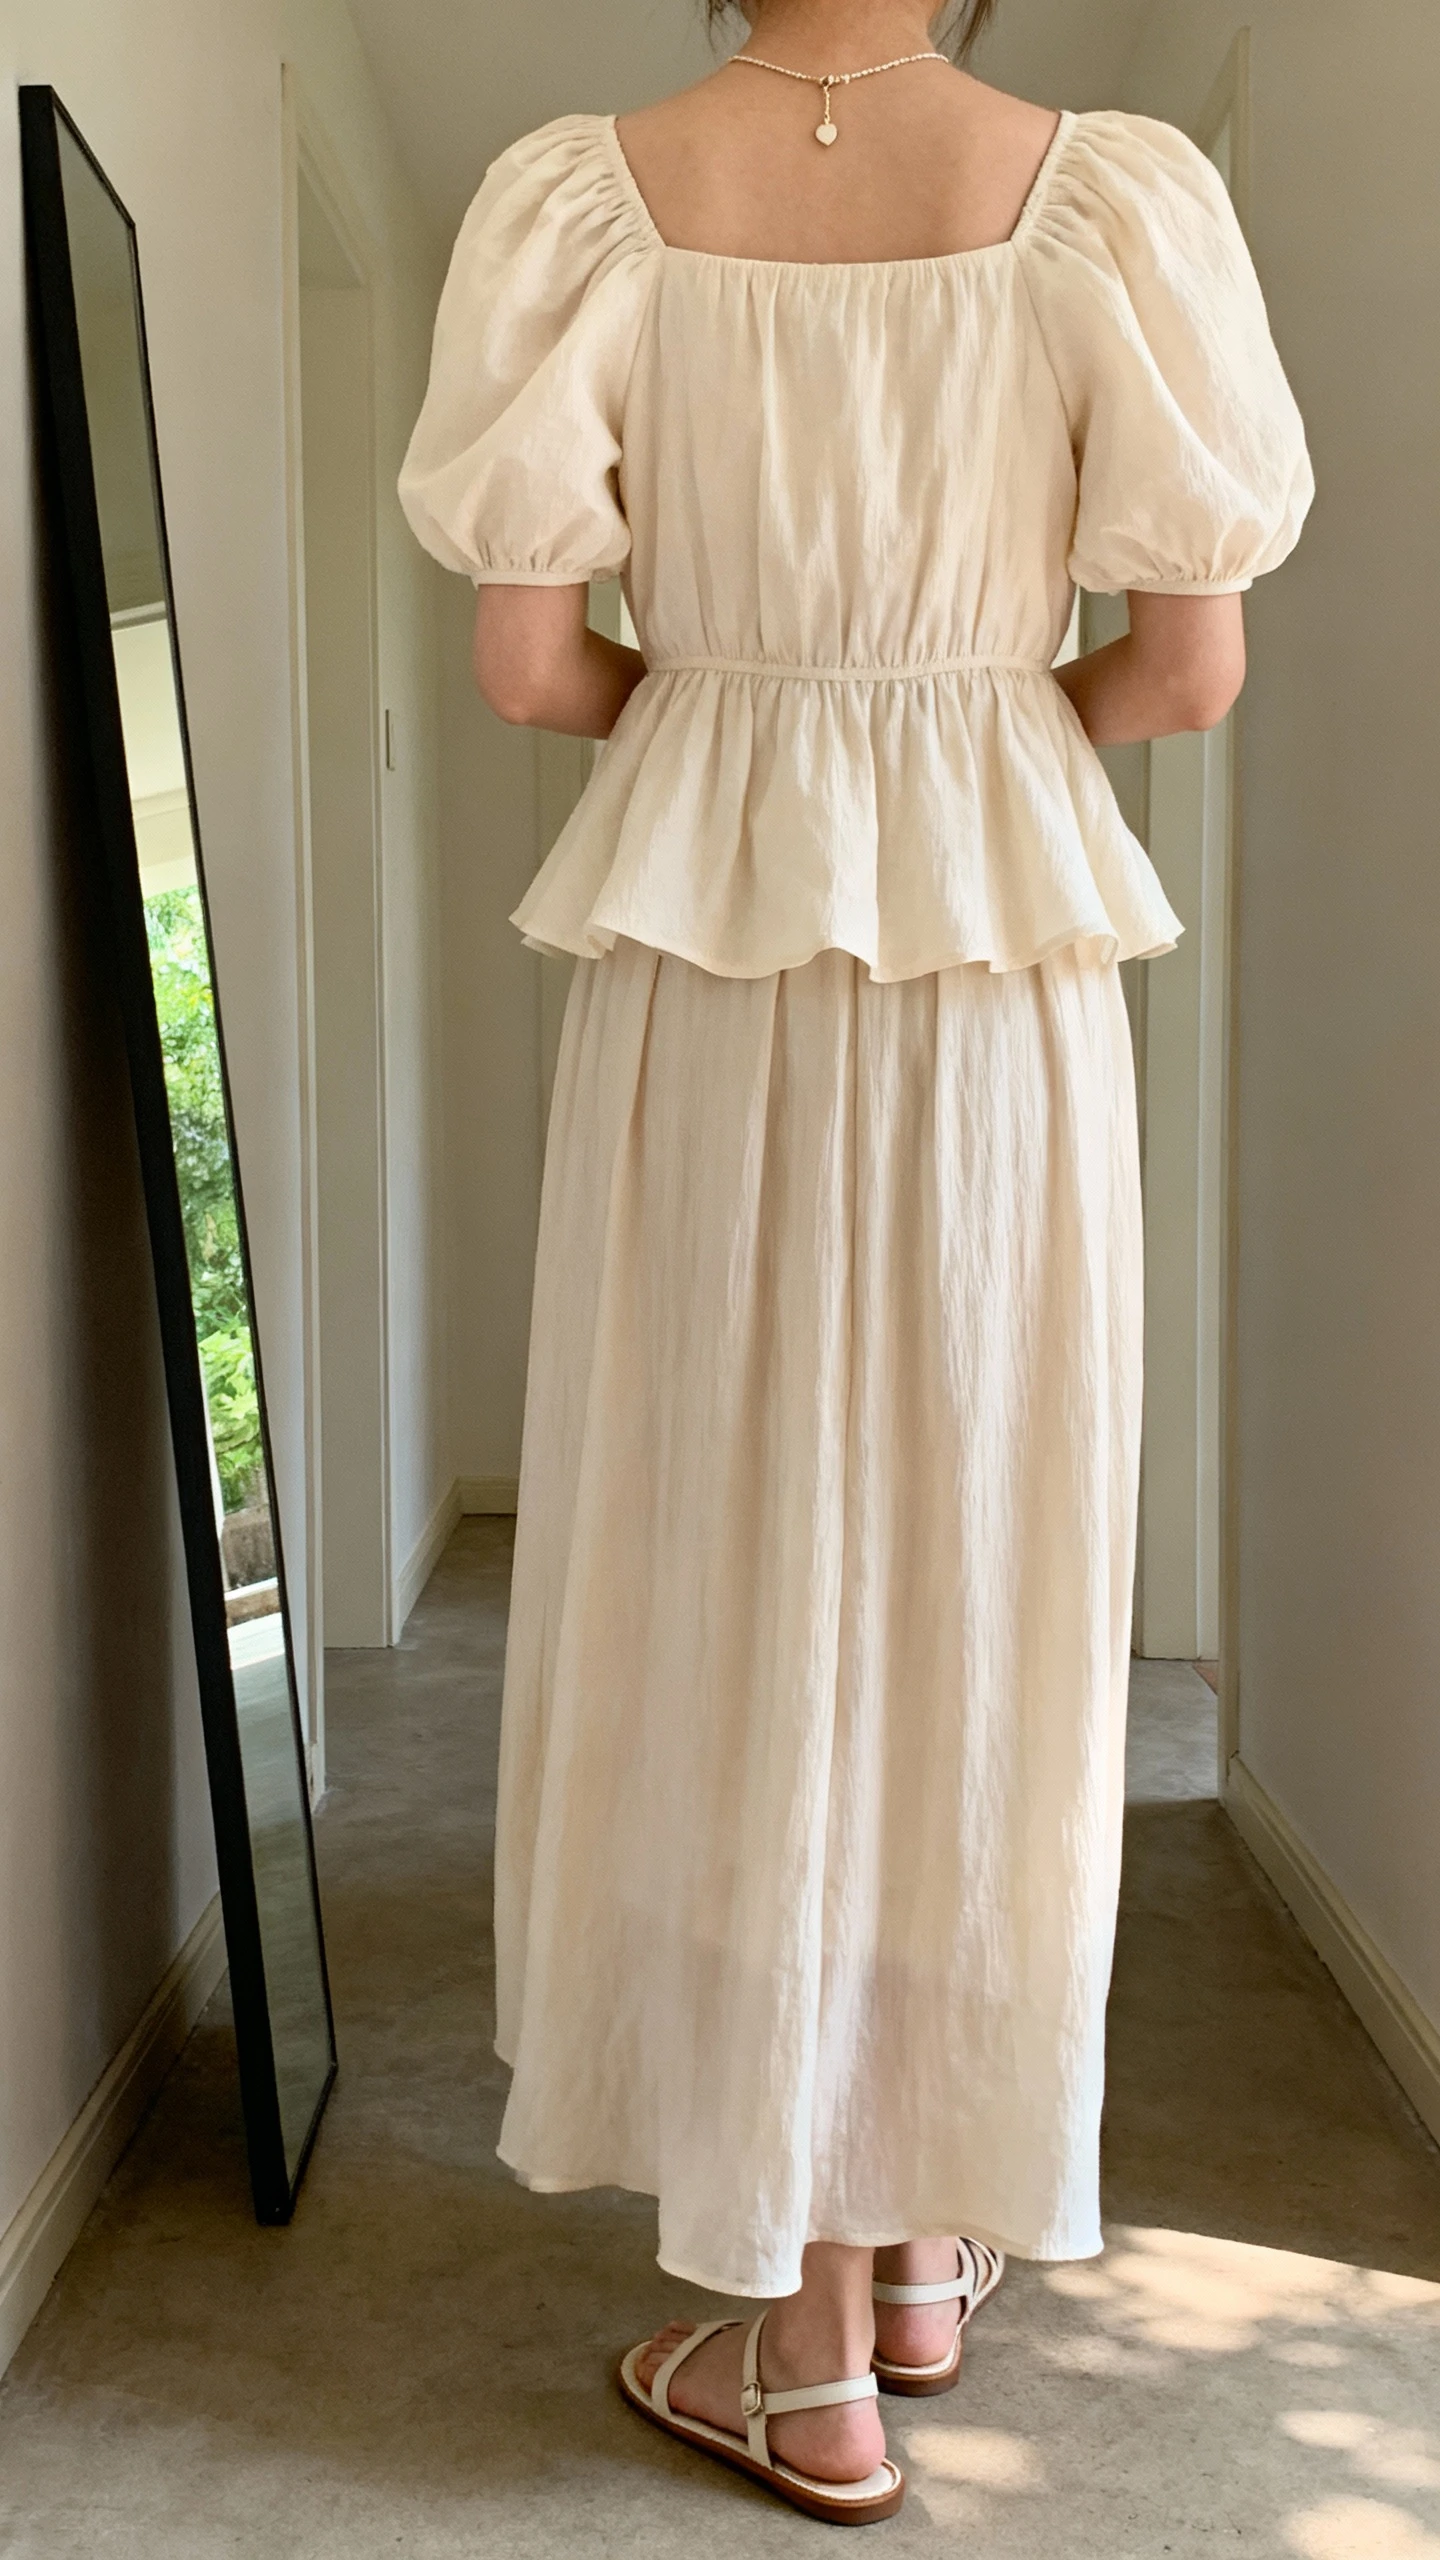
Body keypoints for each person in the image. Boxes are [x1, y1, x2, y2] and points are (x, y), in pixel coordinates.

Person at [399, 0, 1311, 2522]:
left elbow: (525, 659)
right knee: (968, 1575)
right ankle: (919, 2245)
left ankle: (803, 2337)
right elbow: (1192, 663)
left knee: (730, 1576)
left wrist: (748, 722)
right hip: (1000, 973)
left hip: (712, 969)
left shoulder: (583, 191)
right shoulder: (1104, 189)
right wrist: (963, 728)